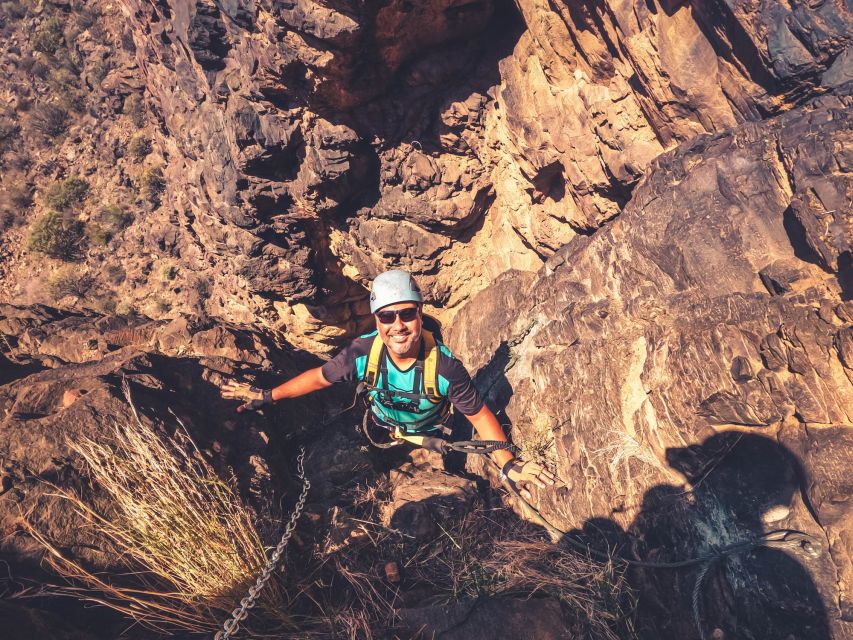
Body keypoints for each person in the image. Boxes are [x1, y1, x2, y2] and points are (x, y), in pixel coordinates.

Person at [221, 269, 555, 499]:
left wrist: (508, 465)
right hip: (381, 425)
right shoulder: (362, 353)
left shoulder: (445, 368)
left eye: (407, 314)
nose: (398, 325)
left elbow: (479, 416)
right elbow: (320, 378)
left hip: (431, 431)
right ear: (376, 320)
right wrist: (268, 395)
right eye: (387, 316)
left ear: (420, 314)